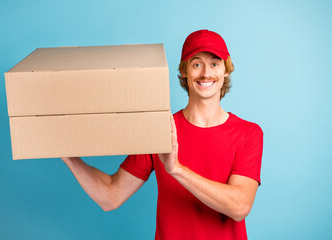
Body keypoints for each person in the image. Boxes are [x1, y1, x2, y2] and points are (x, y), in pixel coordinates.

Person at [62, 29, 263, 240]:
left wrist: (177, 170)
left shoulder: (248, 133)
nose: (206, 73)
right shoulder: (161, 129)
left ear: (226, 71)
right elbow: (111, 196)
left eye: (214, 64)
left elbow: (239, 206)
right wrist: (67, 155)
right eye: (196, 64)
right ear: (184, 71)